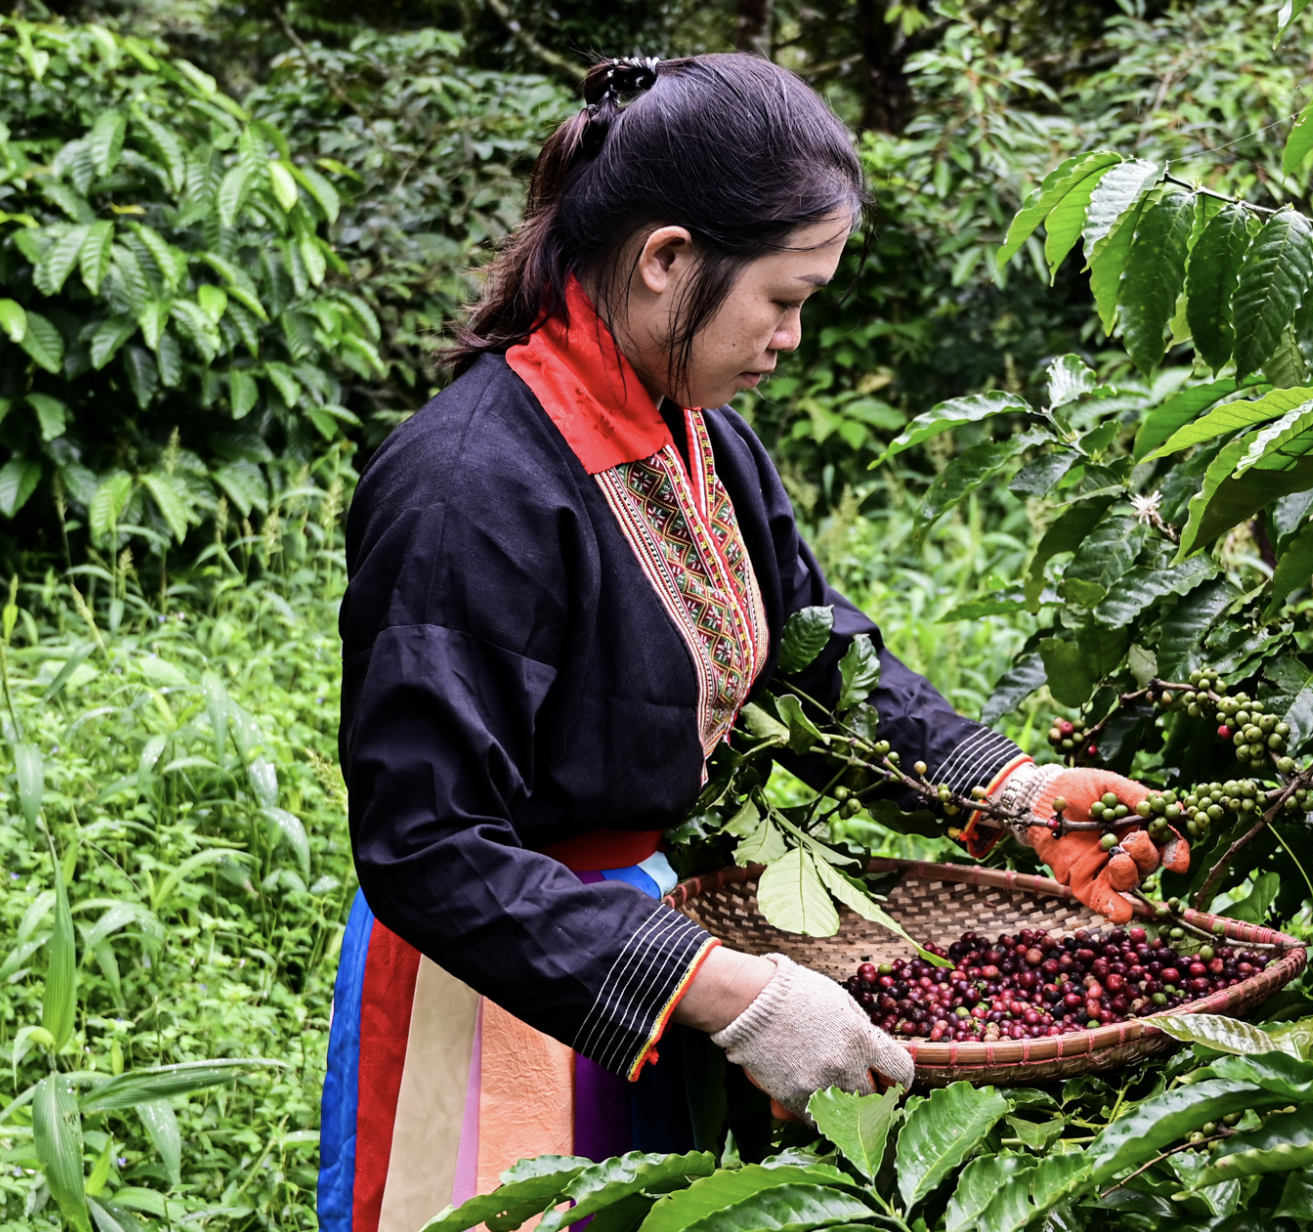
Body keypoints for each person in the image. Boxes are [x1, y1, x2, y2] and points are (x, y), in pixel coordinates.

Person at [316, 52, 1184, 1232]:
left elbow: (820, 667)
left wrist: (1016, 790)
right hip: (501, 979)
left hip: (663, 946)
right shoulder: (469, 485)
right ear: (668, 259)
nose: (789, 336)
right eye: (781, 298)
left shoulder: (702, 440)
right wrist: (724, 991)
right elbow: (428, 842)